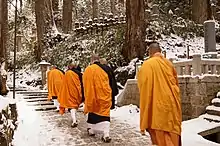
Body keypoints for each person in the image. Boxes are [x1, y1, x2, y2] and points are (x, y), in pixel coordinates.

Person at [137, 42, 182, 146]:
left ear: (149, 52)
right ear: (160, 52)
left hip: (156, 106)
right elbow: (176, 85)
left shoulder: (147, 65)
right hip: (171, 105)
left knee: (159, 136)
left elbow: (143, 87)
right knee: (172, 133)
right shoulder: (168, 64)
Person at [83, 54, 112, 143]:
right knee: (105, 114)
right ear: (98, 60)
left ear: (91, 61)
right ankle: (106, 134)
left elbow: (85, 84)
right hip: (105, 96)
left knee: (92, 112)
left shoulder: (88, 70)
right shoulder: (106, 68)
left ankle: (91, 130)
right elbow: (112, 82)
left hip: (92, 96)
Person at [58, 62, 84, 128]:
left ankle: (74, 120)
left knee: (71, 106)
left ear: (70, 67)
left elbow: (63, 83)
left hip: (69, 92)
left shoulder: (67, 73)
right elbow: (82, 83)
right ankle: (74, 119)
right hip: (77, 92)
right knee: (74, 106)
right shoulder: (79, 74)